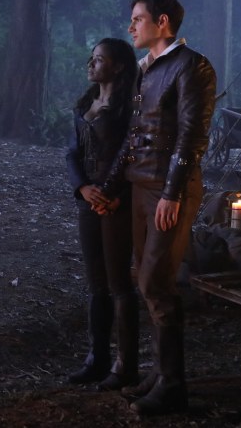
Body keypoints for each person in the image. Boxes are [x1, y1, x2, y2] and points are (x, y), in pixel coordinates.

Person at [101, 0, 217, 415]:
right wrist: (111, 186)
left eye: (137, 19)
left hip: (169, 191)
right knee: (146, 278)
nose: (130, 26)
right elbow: (135, 136)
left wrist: (172, 191)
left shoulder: (192, 66)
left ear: (161, 22)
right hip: (140, 186)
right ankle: (160, 372)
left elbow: (191, 134)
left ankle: (173, 384)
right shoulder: (145, 69)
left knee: (155, 281)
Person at [65, 38, 139, 391]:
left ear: (119, 66)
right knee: (96, 283)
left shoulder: (129, 108)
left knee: (119, 282)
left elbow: (135, 155)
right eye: (91, 58)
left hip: (116, 202)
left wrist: (117, 196)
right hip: (88, 199)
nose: (91, 64)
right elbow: (71, 153)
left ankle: (126, 365)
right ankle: (97, 359)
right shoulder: (85, 103)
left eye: (99, 59)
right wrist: (82, 188)